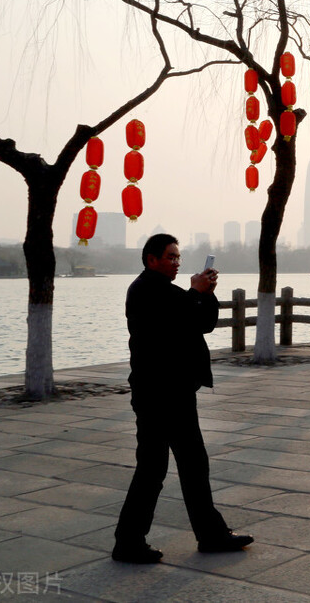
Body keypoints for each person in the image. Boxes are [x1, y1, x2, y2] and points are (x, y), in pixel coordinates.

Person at [112, 234, 253, 564]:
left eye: (178, 257)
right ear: (151, 260)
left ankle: (210, 535)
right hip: (157, 395)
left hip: (176, 393)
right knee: (153, 469)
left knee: (191, 466)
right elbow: (172, 323)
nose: (177, 262)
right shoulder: (144, 290)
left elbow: (202, 323)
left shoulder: (170, 291)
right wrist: (194, 293)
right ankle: (129, 542)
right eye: (171, 257)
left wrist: (207, 294)